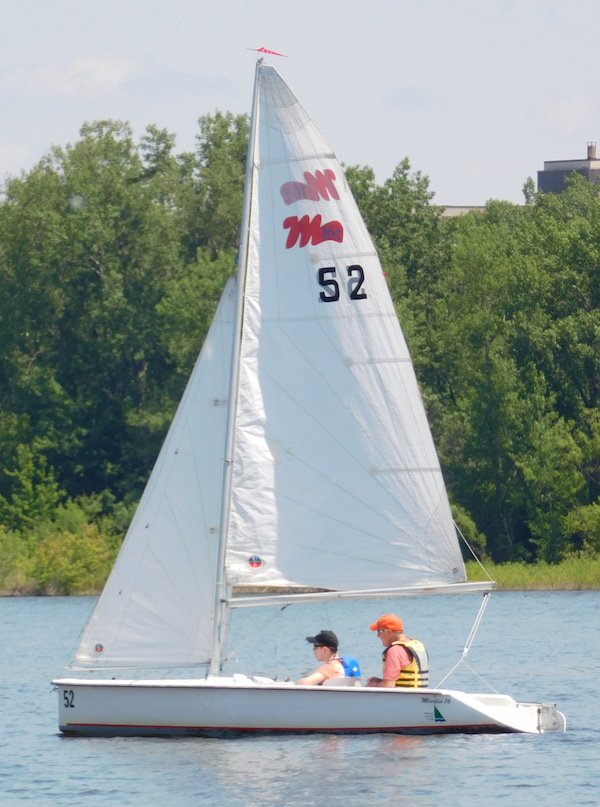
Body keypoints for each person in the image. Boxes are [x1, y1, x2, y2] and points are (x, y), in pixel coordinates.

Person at [365, 613, 429, 688]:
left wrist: (372, 685)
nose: (378, 635)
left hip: (403, 698)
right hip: (419, 696)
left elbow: (388, 686)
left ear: (388, 631)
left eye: (379, 631)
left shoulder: (394, 651)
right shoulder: (416, 645)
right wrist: (380, 681)